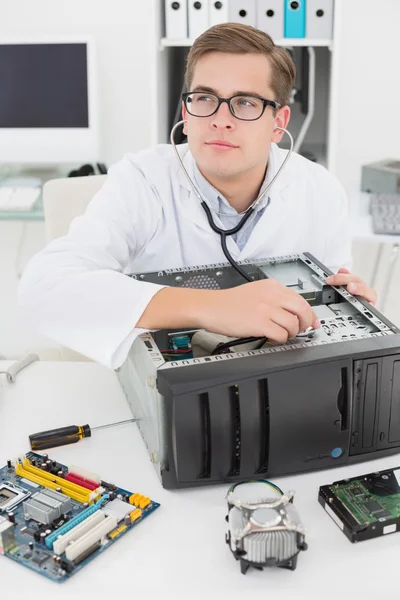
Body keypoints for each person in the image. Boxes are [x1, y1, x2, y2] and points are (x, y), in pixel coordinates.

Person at [18, 23, 377, 369]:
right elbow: (45, 289)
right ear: (186, 115)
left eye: (246, 103)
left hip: (279, 384)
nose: (221, 119)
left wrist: (350, 308)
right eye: (205, 98)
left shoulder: (320, 190)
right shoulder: (142, 180)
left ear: (279, 123)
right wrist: (213, 307)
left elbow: (326, 312)